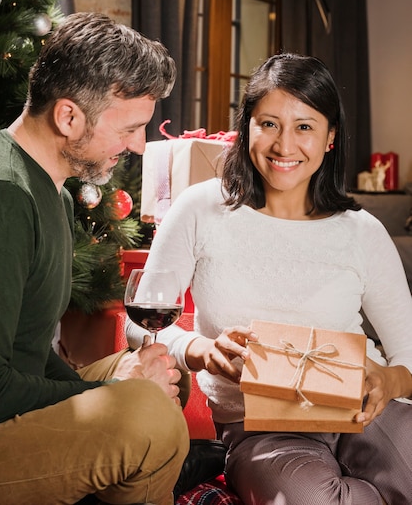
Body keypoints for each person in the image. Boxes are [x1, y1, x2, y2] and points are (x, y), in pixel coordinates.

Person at [0, 12, 190, 505]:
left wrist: (123, 386)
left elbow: (24, 346)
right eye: (129, 128)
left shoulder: (52, 191)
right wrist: (111, 398)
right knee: (146, 417)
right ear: (68, 117)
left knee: (164, 376)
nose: (137, 145)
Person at [127, 53, 412, 505]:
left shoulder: (362, 231)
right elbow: (138, 324)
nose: (284, 145)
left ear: (330, 136)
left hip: (361, 411)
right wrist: (200, 351)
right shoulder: (200, 209)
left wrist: (391, 383)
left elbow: (407, 352)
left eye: (305, 126)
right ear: (247, 128)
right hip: (257, 427)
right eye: (269, 124)